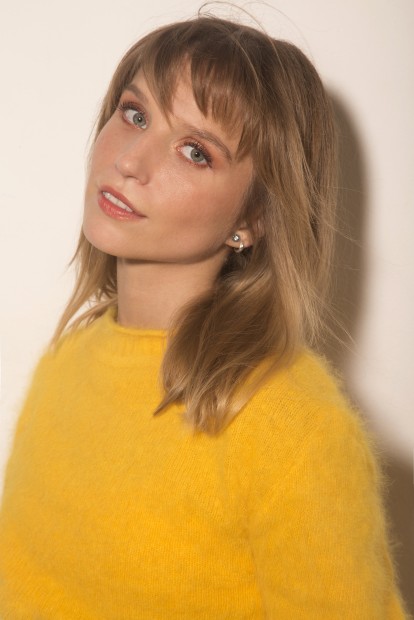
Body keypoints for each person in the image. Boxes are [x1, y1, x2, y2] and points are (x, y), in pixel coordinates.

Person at [0, 13, 409, 620]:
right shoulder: (64, 365)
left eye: (195, 152)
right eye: (135, 114)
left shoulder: (295, 429)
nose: (131, 161)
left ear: (254, 219)